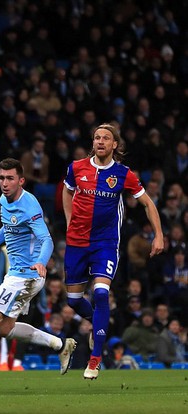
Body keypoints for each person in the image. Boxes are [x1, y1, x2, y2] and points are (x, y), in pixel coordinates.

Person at [0, 158, 76, 393]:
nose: (5, 183)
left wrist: (41, 262)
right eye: (1, 178)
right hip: (16, 274)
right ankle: (60, 345)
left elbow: (47, 239)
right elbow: (6, 227)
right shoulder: (4, 200)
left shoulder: (29, 204)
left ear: (21, 180)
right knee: (3, 328)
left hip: (27, 274)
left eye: (10, 178)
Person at [62, 123, 164, 380]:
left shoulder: (123, 174)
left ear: (115, 145)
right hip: (76, 242)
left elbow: (148, 204)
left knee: (100, 294)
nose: (100, 141)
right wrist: (68, 220)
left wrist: (159, 235)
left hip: (105, 244)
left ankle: (95, 359)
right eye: (97, 137)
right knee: (73, 300)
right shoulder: (76, 168)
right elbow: (67, 190)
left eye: (106, 138)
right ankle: (98, 325)